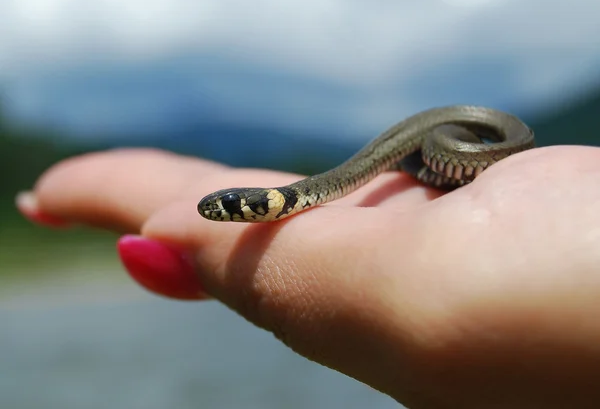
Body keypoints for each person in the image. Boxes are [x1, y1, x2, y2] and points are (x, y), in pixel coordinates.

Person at [15, 145, 600, 408]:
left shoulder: (316, 191)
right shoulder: (303, 193)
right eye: (226, 212)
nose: (223, 218)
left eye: (232, 210)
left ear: (270, 204)